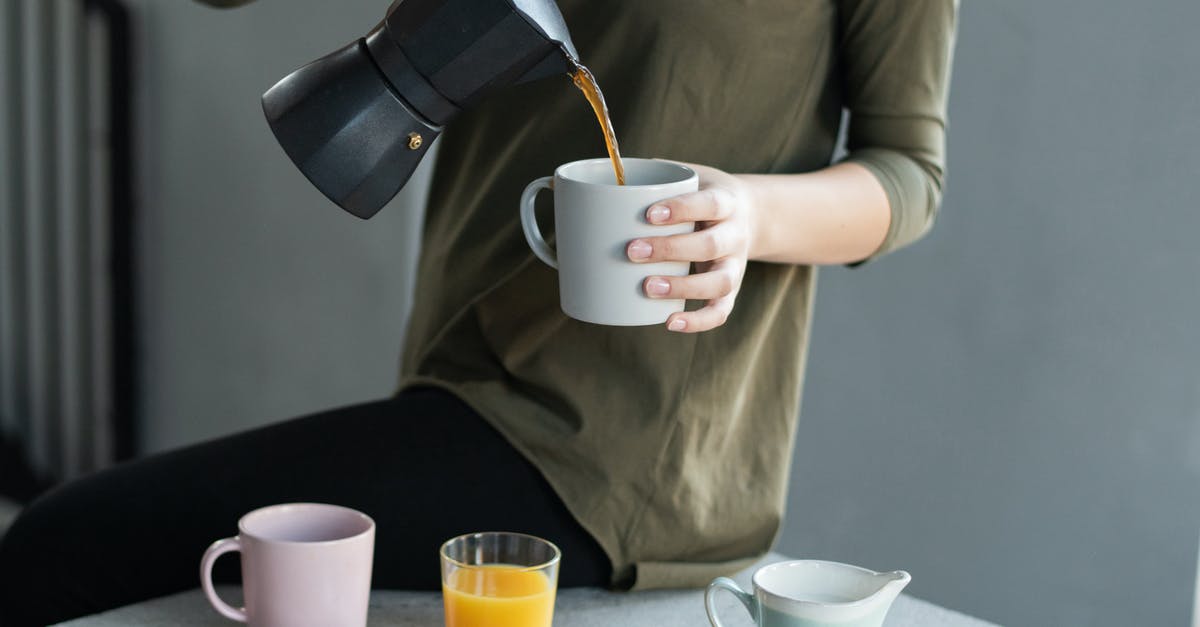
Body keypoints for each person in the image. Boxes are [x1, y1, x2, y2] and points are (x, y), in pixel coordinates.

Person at [0, 0, 958, 623]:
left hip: (623, 452)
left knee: (59, 548)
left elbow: (908, 171)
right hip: (458, 376)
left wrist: (747, 216)